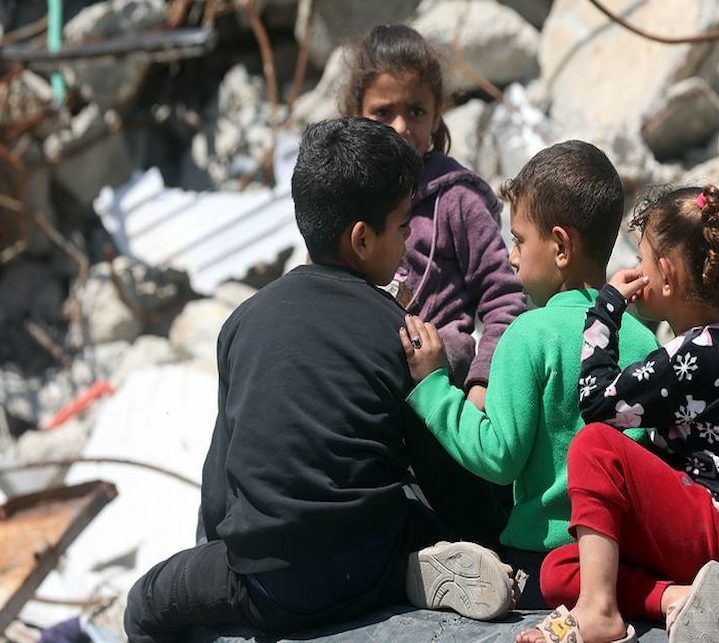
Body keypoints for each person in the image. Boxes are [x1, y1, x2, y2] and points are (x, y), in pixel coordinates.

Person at [123, 118, 513, 643]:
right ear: (361, 238)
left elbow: (221, 482)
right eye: (402, 228)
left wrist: (217, 555)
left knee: (145, 602)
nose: (406, 242)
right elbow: (442, 477)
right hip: (369, 561)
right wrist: (483, 528)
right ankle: (412, 569)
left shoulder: (242, 322)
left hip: (270, 588)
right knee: (408, 509)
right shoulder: (399, 332)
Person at [397, 140, 660, 609]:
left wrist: (434, 386)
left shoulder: (528, 333)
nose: (512, 257)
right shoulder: (642, 338)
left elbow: (498, 457)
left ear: (560, 247)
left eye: (518, 240)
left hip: (544, 561)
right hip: (626, 559)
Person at [519, 185, 719, 643]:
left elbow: (597, 403)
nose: (634, 270)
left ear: (666, 274)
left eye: (641, 259)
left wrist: (606, 308)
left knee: (594, 444)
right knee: (559, 569)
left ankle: (598, 613)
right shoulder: (707, 346)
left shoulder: (698, 355)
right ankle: (675, 598)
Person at [342, 23, 528, 548]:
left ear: (437, 113)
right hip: (375, 375)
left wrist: (483, 381)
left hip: (445, 379)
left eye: (416, 112)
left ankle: (477, 553)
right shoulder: (349, 199)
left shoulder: (459, 200)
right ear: (356, 112)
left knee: (458, 503)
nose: (401, 127)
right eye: (383, 112)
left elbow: (504, 296)